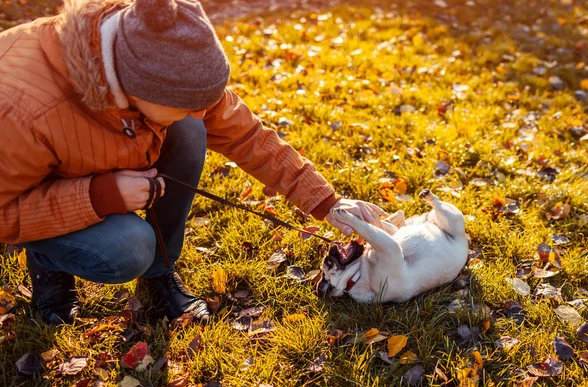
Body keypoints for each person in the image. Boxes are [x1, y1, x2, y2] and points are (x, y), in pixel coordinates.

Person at [0, 0, 386, 324]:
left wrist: (325, 201)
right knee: (128, 248)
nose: (205, 108)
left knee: (190, 130)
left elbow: (247, 135)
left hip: (99, 153)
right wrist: (100, 196)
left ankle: (160, 269)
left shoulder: (160, 54)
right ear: (136, 89)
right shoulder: (19, 109)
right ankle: (47, 257)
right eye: (188, 103)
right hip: (24, 192)